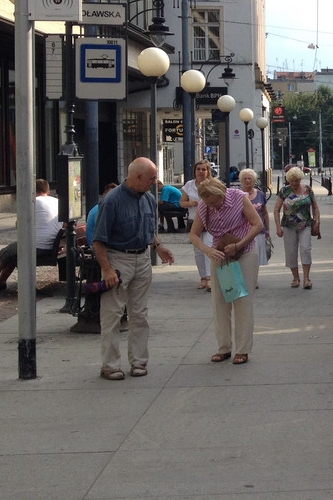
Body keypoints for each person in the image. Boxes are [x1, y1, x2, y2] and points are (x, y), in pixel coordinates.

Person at [91, 158, 175, 380]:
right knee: (113, 314)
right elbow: (99, 240)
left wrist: (158, 246)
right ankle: (110, 365)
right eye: (151, 178)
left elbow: (148, 229)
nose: (154, 183)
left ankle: (138, 361)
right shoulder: (112, 201)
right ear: (137, 177)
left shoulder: (148, 198)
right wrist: (107, 270)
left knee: (140, 314)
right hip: (119, 259)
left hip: (143, 258)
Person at [190, 177, 263, 366]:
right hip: (221, 255)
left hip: (244, 252)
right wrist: (208, 250)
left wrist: (239, 244)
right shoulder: (205, 206)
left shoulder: (239, 197)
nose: (212, 206)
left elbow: (257, 224)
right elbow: (194, 234)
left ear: (222, 194)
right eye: (208, 202)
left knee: (242, 300)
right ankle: (224, 347)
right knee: (221, 301)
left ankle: (243, 349)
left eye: (215, 201)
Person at [0, 179, 63, 292]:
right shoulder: (56, 201)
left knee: (3, 254)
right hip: (53, 246)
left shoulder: (33, 202)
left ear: (32, 191)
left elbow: (19, 225)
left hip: (38, 246)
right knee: (14, 253)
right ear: (47, 191)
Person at [275, 166, 320, 289]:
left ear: (300, 179)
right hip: (289, 226)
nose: (294, 183)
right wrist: (278, 227)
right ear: (288, 180)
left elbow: (315, 207)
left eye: (297, 181)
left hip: (305, 224)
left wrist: (317, 222)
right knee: (291, 252)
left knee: (305, 249)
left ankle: (306, 278)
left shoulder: (307, 190)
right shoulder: (284, 191)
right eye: (292, 181)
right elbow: (276, 209)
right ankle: (295, 278)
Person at [181, 160, 215, 291]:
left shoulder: (211, 184)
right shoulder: (189, 185)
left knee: (208, 248)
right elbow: (182, 202)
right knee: (198, 252)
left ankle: (210, 278)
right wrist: (190, 203)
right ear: (195, 171)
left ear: (208, 172)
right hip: (193, 220)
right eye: (198, 169)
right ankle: (203, 278)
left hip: (209, 222)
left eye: (203, 169)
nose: (201, 172)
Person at [239, 168, 270, 268]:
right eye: (245, 179)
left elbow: (265, 213)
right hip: (242, 231)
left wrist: (268, 229)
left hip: (258, 231)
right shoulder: (237, 195)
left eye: (250, 178)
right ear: (241, 181)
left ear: (254, 181)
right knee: (244, 256)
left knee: (256, 257)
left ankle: (254, 280)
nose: (247, 181)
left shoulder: (260, 194)